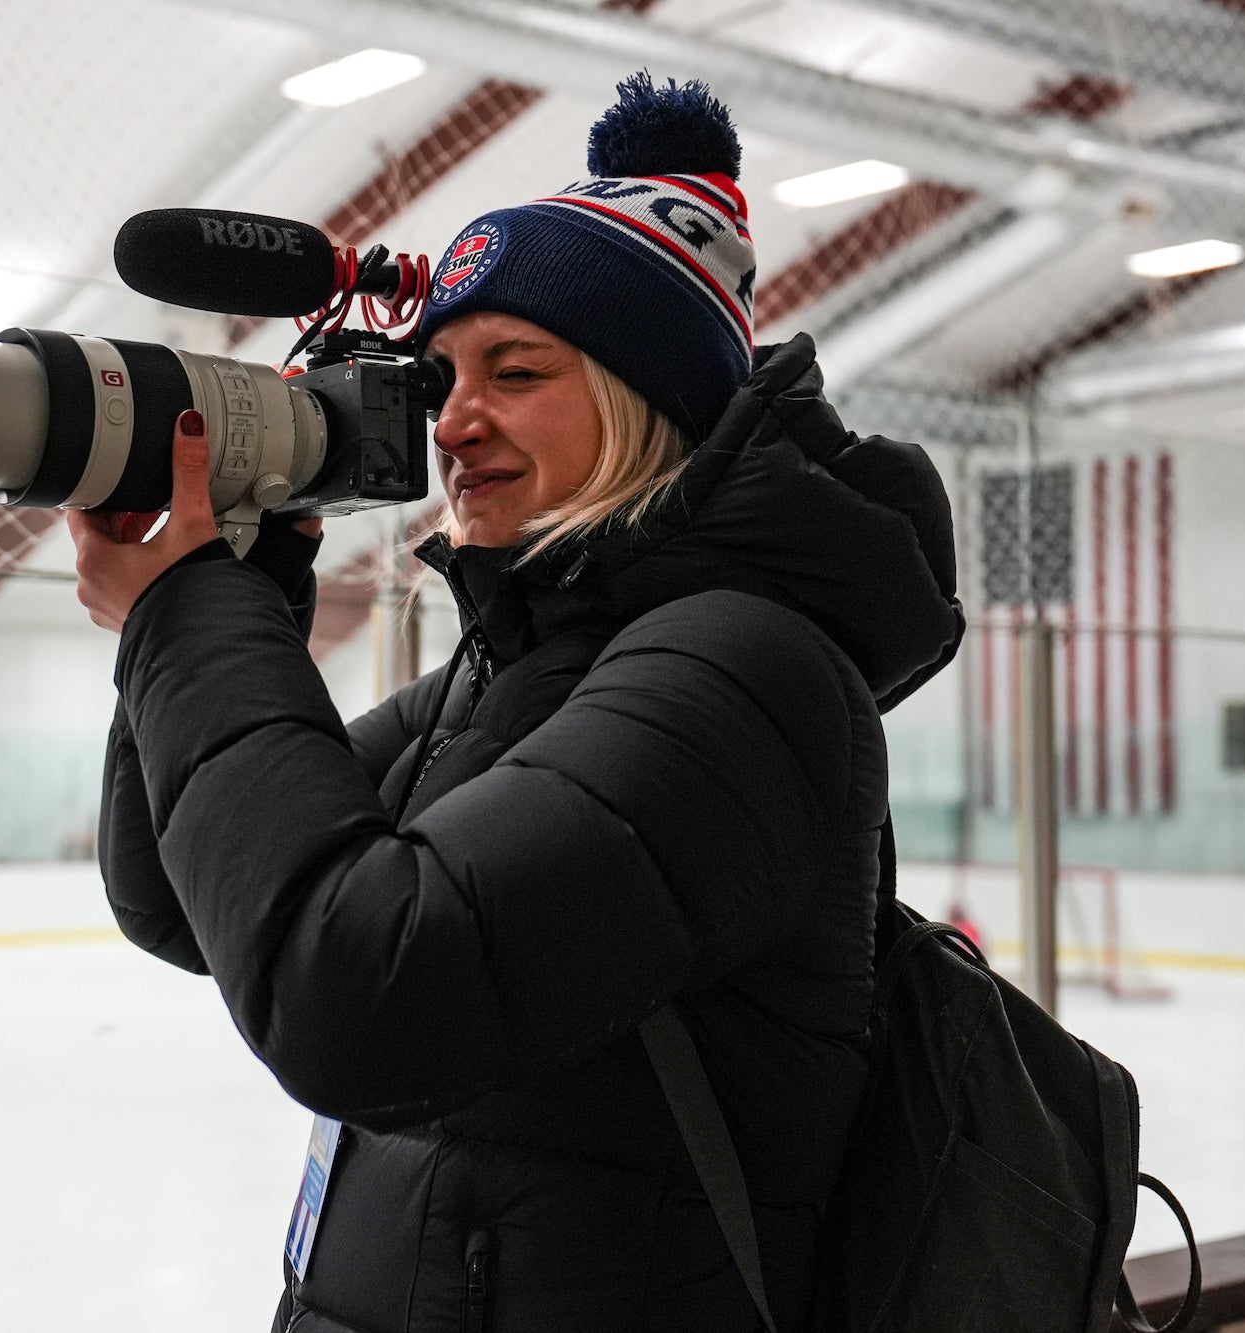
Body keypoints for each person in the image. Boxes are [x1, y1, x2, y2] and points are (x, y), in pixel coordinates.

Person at [70, 72, 961, 1332]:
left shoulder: (748, 673)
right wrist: (239, 593)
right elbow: (180, 897)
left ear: (649, 394)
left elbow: (358, 1000)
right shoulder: (507, 673)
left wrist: (186, 619)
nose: (456, 421)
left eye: (517, 368)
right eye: (438, 377)